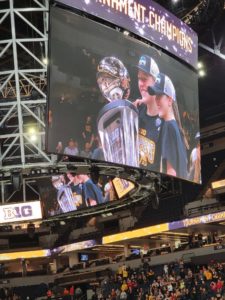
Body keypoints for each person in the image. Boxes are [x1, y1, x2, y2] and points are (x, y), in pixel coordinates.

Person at [149, 73, 188, 179]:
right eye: (155, 97)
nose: (156, 101)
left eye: (159, 96)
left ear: (170, 100)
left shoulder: (168, 127)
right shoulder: (177, 129)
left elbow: (171, 173)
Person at [134, 55, 162, 172]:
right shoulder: (136, 110)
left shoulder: (166, 121)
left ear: (156, 83)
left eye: (144, 79)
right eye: (139, 78)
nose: (140, 83)